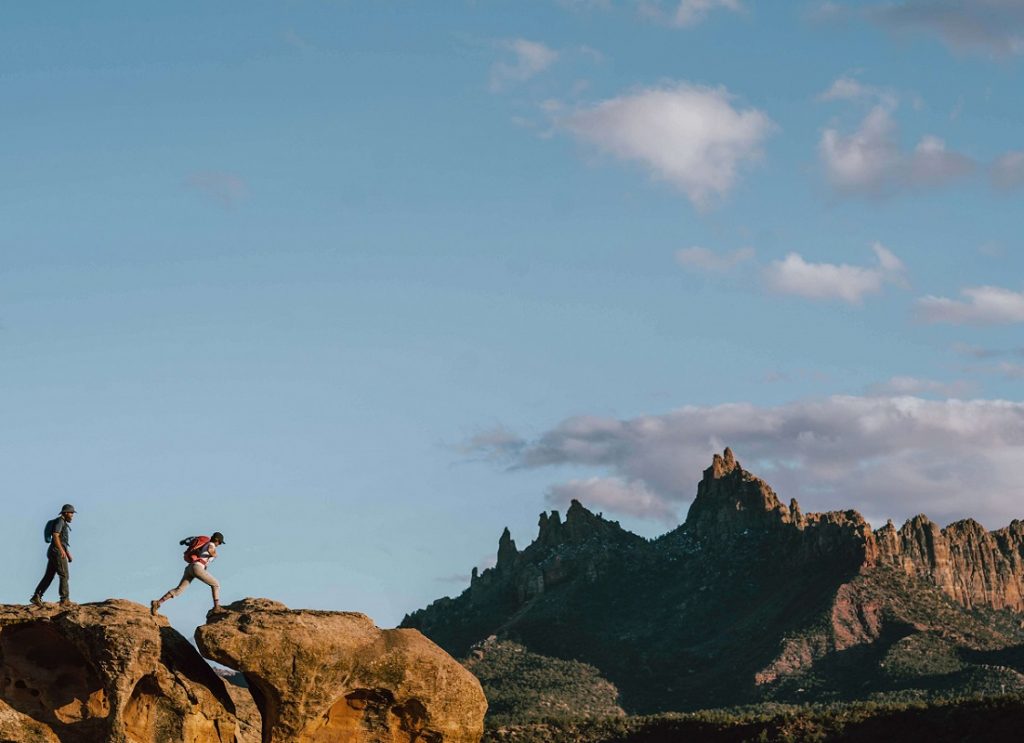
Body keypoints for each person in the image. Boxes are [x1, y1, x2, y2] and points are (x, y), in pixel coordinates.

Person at [151, 532, 226, 616]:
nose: (219, 545)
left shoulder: (205, 544)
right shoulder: (211, 544)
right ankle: (216, 608)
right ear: (217, 540)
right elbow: (210, 549)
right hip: (197, 567)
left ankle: (158, 602)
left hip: (190, 568)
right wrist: (214, 554)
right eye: (219, 543)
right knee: (216, 584)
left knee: (178, 590)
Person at [30, 504, 76, 607]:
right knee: (64, 575)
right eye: (71, 513)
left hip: (55, 551)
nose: (72, 515)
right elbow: (55, 535)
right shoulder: (60, 521)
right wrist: (61, 550)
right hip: (57, 552)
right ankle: (64, 599)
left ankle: (36, 596)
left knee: (49, 576)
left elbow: (62, 540)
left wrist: (67, 553)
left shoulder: (62, 522)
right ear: (65, 513)